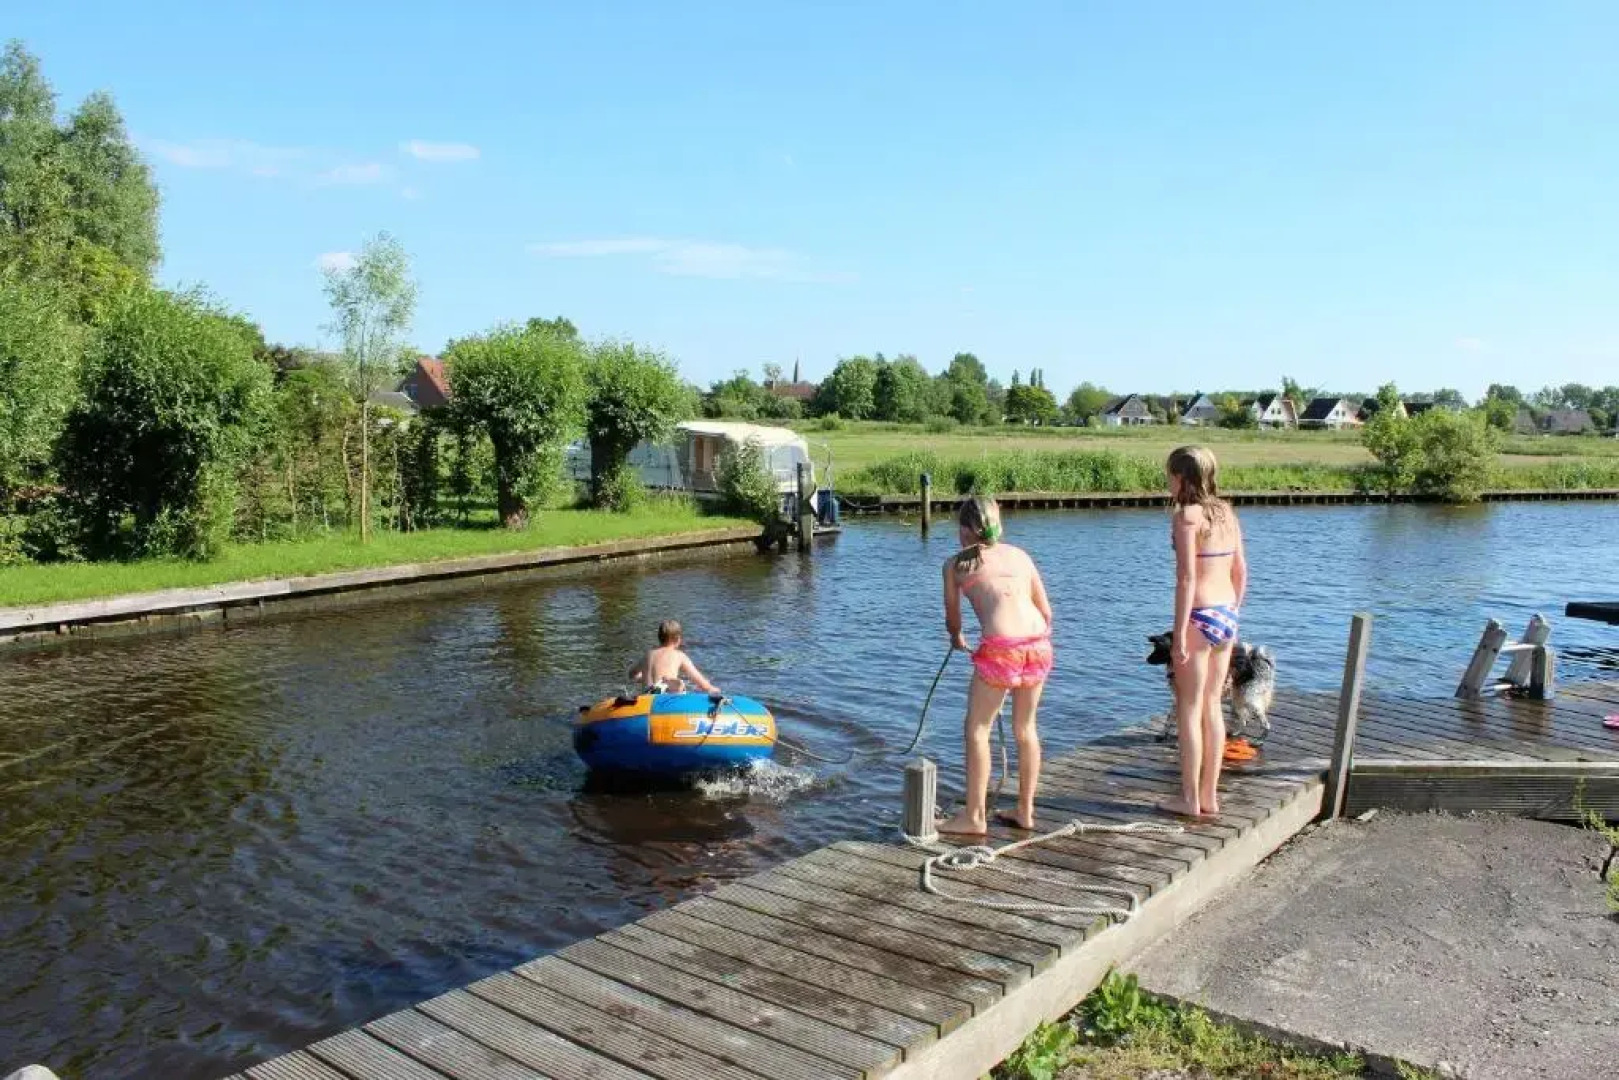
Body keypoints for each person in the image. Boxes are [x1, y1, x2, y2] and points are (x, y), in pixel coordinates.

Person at [937, 495, 1054, 836]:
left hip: (1001, 648)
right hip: (1038, 643)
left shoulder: (957, 564)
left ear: (964, 530)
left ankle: (974, 817)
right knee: (1026, 729)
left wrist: (957, 638)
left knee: (977, 728)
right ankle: (1025, 811)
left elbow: (953, 619)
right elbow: (1045, 611)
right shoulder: (1020, 555)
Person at [1162, 445, 1247, 819]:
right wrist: (1233, 612)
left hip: (1198, 615)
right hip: (1226, 613)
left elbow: (1185, 578)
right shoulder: (1226, 512)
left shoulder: (1186, 517)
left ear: (1181, 478)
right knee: (1213, 706)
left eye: (1169, 475)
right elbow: (1240, 571)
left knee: (1189, 708)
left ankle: (1188, 798)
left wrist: (1179, 633)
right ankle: (1210, 797)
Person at [629, 620, 720, 695]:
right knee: (682, 689)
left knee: (652, 687)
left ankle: (661, 685)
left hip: (647, 696)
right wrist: (711, 688)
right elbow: (700, 682)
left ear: (659, 637)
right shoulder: (679, 655)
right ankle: (672, 685)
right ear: (678, 639)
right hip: (666, 696)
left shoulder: (648, 654)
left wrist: (644, 677)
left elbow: (632, 674)